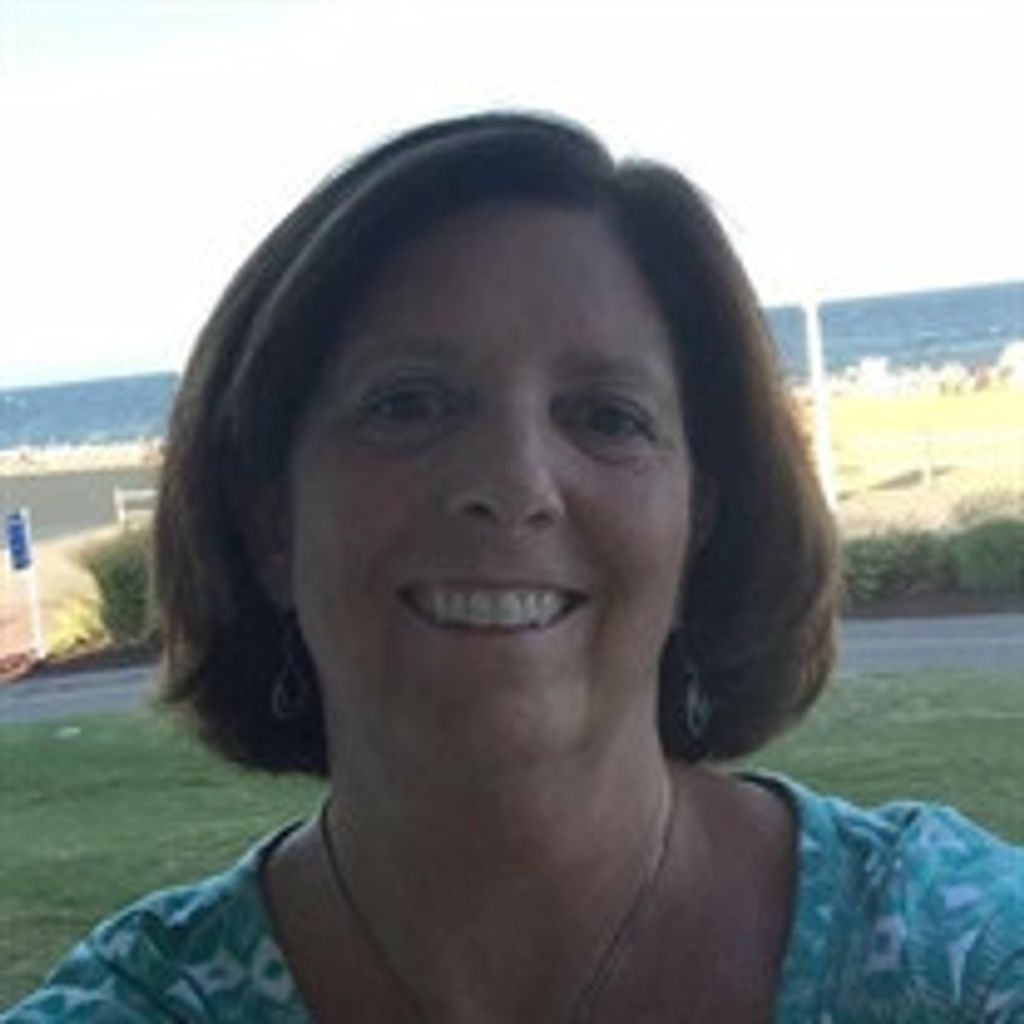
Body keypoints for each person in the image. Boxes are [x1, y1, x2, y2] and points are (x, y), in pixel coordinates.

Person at [5, 112, 1022, 1023]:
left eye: (606, 417)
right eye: (408, 404)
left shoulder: (952, 955)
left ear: (695, 528)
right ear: (272, 524)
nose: (513, 483)